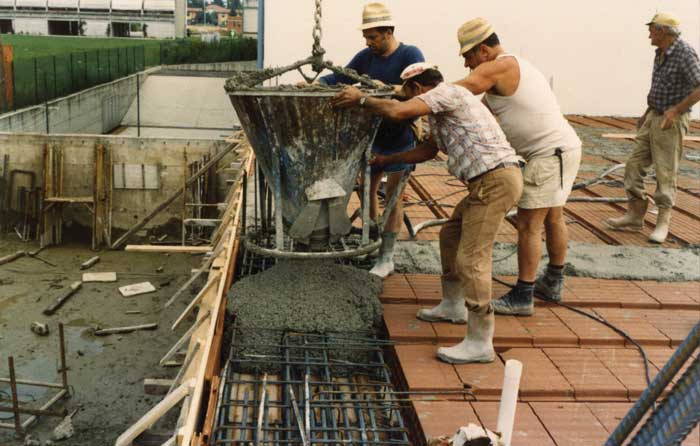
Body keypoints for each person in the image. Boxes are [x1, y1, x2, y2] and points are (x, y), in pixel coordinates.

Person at [332, 63, 523, 364]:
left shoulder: (448, 93)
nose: (408, 102)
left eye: (408, 95)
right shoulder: (441, 110)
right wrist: (387, 160)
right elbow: (427, 151)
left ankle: (480, 340)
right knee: (450, 235)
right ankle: (452, 304)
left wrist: (361, 99)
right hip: (486, 182)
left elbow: (398, 112)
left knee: (472, 259)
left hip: (495, 180)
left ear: (418, 90)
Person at [447, 18, 582, 316]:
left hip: (548, 154)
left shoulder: (501, 66)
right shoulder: (509, 70)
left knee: (528, 224)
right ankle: (553, 281)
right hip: (563, 148)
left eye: (469, 57)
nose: (469, 65)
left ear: (483, 50)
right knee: (553, 217)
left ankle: (523, 295)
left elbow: (465, 89)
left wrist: (427, 94)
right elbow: (477, 110)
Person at [316, 2, 425, 278]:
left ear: (388, 31)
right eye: (366, 37)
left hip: (400, 137)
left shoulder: (410, 54)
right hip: (374, 136)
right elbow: (340, 76)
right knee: (367, 189)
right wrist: (317, 84)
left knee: (394, 197)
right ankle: (373, 237)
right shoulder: (366, 57)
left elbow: (418, 90)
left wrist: (376, 90)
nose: (368, 42)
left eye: (373, 37)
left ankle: (386, 256)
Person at [605, 13, 700, 243]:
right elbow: (659, 87)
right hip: (654, 116)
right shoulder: (660, 53)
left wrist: (675, 110)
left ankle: (662, 223)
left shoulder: (684, 54)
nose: (649, 34)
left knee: (665, 172)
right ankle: (635, 215)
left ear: (662, 31)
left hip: (671, 121)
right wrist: (646, 113)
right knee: (634, 166)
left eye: (651, 30)